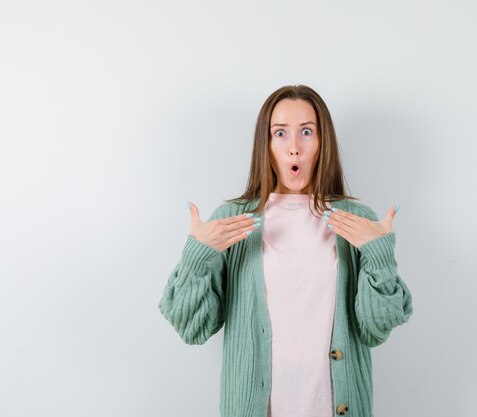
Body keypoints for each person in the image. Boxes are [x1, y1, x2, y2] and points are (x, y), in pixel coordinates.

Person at [158, 84, 413, 417]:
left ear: (323, 143)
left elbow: (374, 329)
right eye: (280, 133)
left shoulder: (356, 221)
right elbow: (192, 328)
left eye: (306, 132)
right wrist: (196, 258)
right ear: (266, 144)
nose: (294, 148)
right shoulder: (233, 221)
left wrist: (379, 255)